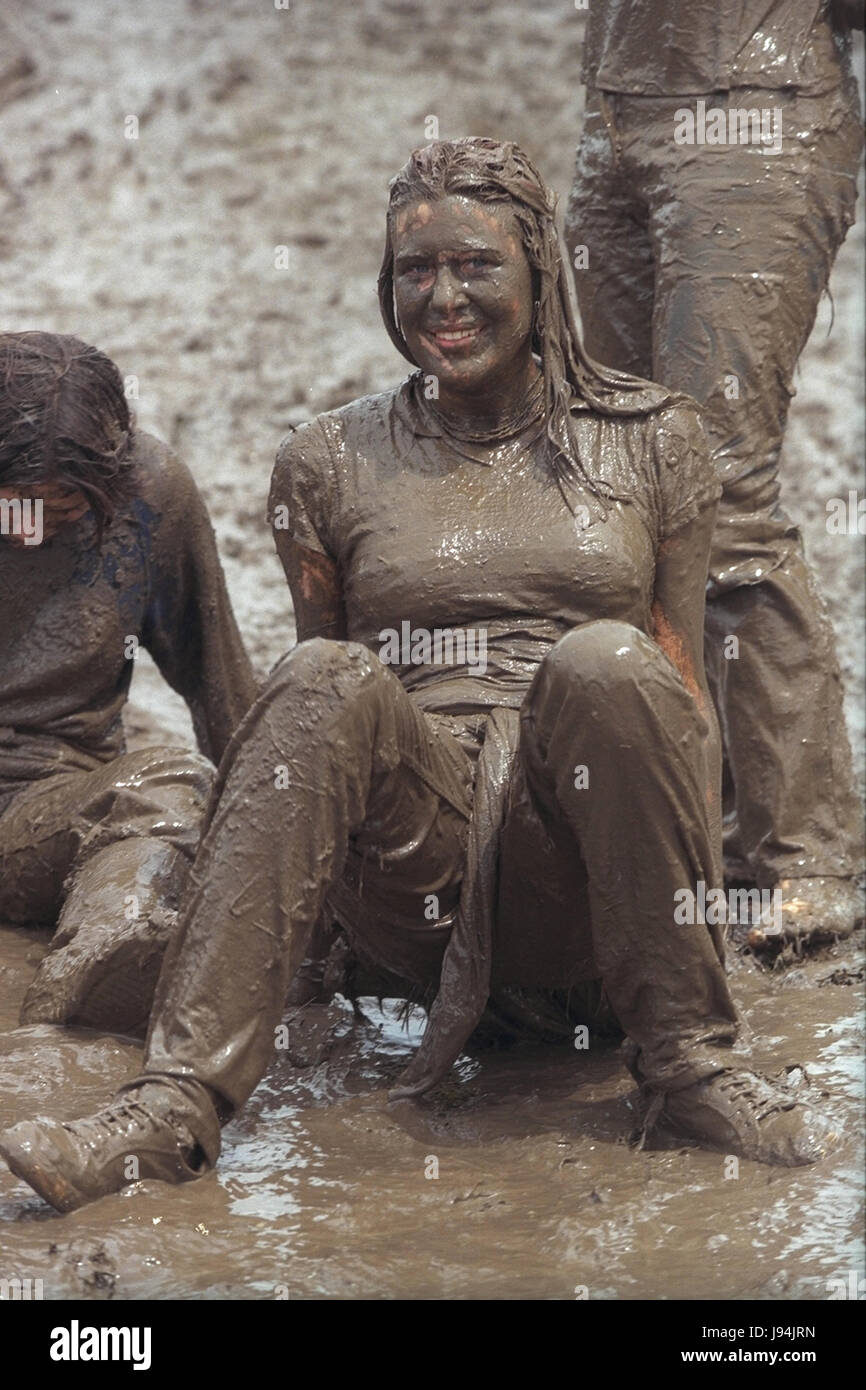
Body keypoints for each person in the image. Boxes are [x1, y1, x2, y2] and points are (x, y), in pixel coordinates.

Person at [0, 141, 835, 1215]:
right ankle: (173, 1103)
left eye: (475, 266)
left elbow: (684, 704)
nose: (442, 297)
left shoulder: (653, 439)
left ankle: (689, 1066)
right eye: (413, 270)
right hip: (417, 873)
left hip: (580, 862)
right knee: (321, 674)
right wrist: (302, 968)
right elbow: (313, 754)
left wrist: (690, 923)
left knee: (607, 659)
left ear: (540, 272)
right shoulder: (325, 460)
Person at [564, 0, 865, 955]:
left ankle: (801, 856)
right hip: (616, 105)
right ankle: (691, 837)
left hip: (760, 110)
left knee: (718, 493)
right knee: (620, 478)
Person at [0, 331, 256, 1033]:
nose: (28, 535)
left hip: (45, 809)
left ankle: (80, 997)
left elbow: (221, 692)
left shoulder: (152, 496)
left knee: (171, 796)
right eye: (12, 508)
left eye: (62, 513)